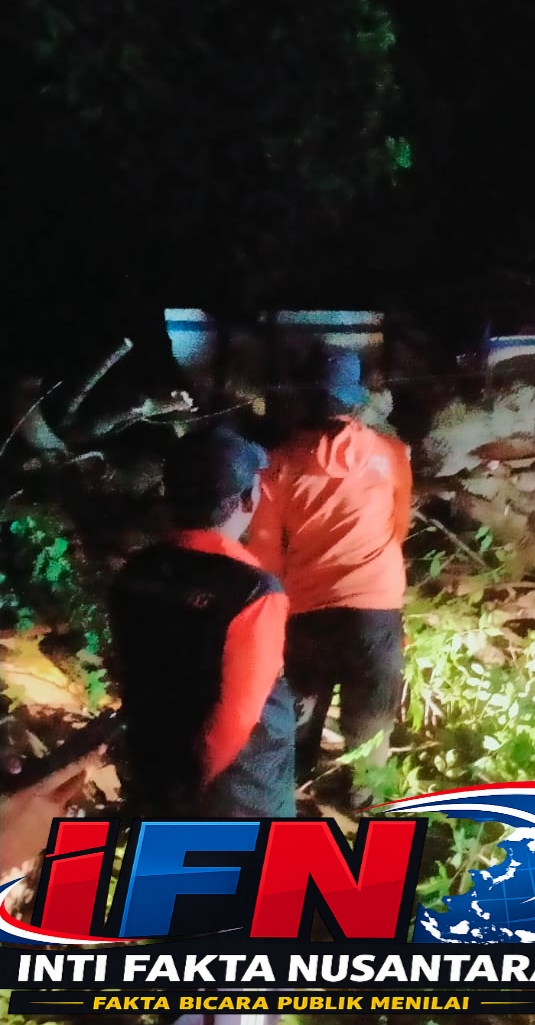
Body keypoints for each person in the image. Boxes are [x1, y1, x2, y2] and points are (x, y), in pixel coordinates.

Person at [247, 345, 413, 788]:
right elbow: (398, 528)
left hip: (306, 612)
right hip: (375, 611)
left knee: (299, 721)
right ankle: (368, 810)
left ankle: (290, 807)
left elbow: (265, 553)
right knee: (370, 727)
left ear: (305, 398)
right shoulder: (391, 455)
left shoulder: (274, 465)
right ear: (355, 400)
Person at [108, 427, 295, 819]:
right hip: (236, 789)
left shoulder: (135, 573)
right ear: (247, 500)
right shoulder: (253, 591)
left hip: (154, 763)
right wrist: (196, 781)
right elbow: (237, 715)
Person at [0, 755, 103, 879]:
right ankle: (90, 760)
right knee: (62, 784)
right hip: (34, 814)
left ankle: (90, 760)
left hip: (35, 815)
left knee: (63, 785)